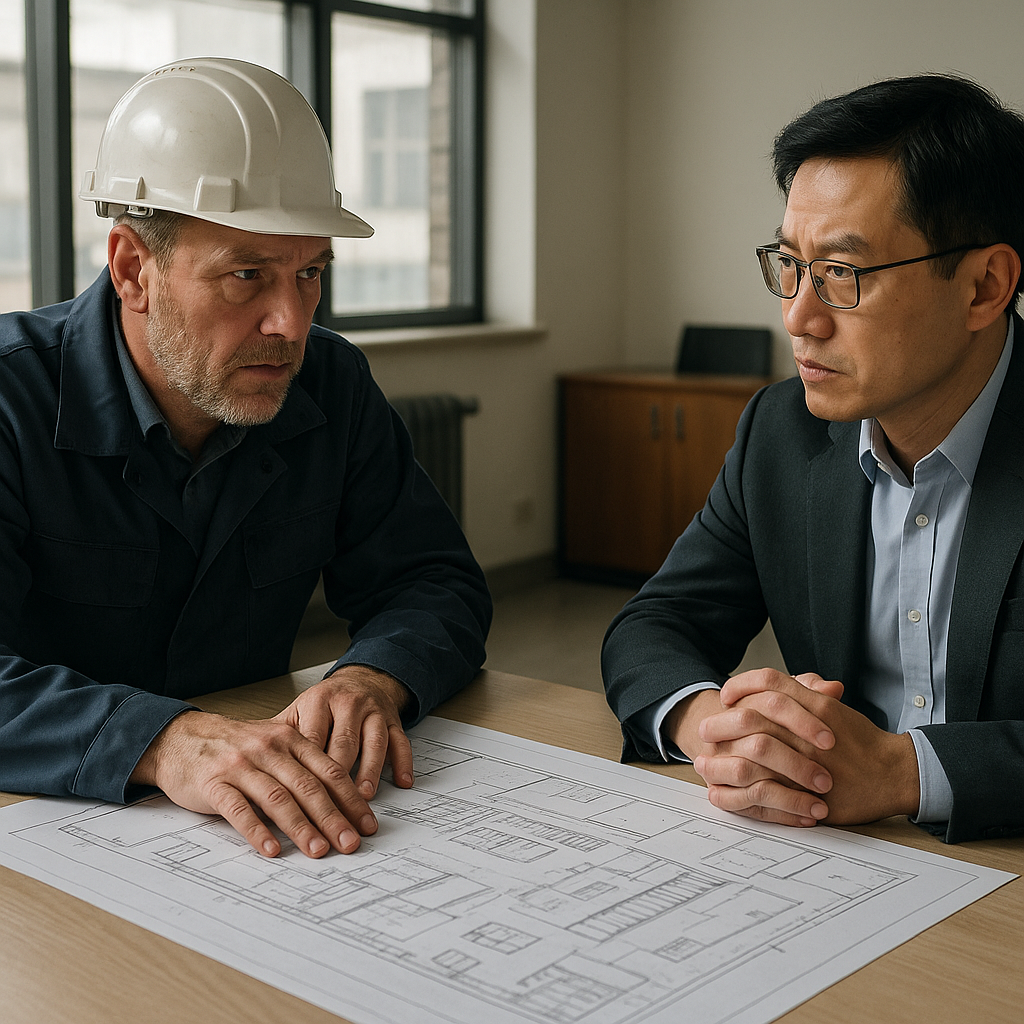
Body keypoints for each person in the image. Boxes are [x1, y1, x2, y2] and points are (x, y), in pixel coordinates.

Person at [0, 58, 491, 860]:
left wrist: (374, 675)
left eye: (309, 274)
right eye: (246, 276)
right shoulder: (9, 400)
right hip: (42, 839)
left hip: (250, 844)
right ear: (133, 269)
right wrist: (162, 740)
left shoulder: (331, 381)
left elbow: (432, 579)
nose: (290, 323)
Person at [602, 74, 1024, 844]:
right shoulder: (781, 430)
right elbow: (657, 623)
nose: (798, 316)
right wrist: (714, 729)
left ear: (983, 287)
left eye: (841, 273)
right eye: (790, 263)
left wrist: (903, 772)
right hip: (840, 865)